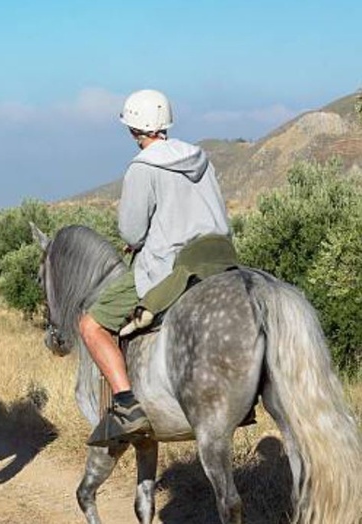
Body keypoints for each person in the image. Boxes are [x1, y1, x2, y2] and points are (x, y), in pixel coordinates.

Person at [81, 89, 232, 446]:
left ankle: (126, 406)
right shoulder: (200, 157)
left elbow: (132, 231)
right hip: (220, 259)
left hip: (172, 265)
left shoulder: (143, 167)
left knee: (90, 325)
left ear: (133, 130)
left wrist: (137, 240)